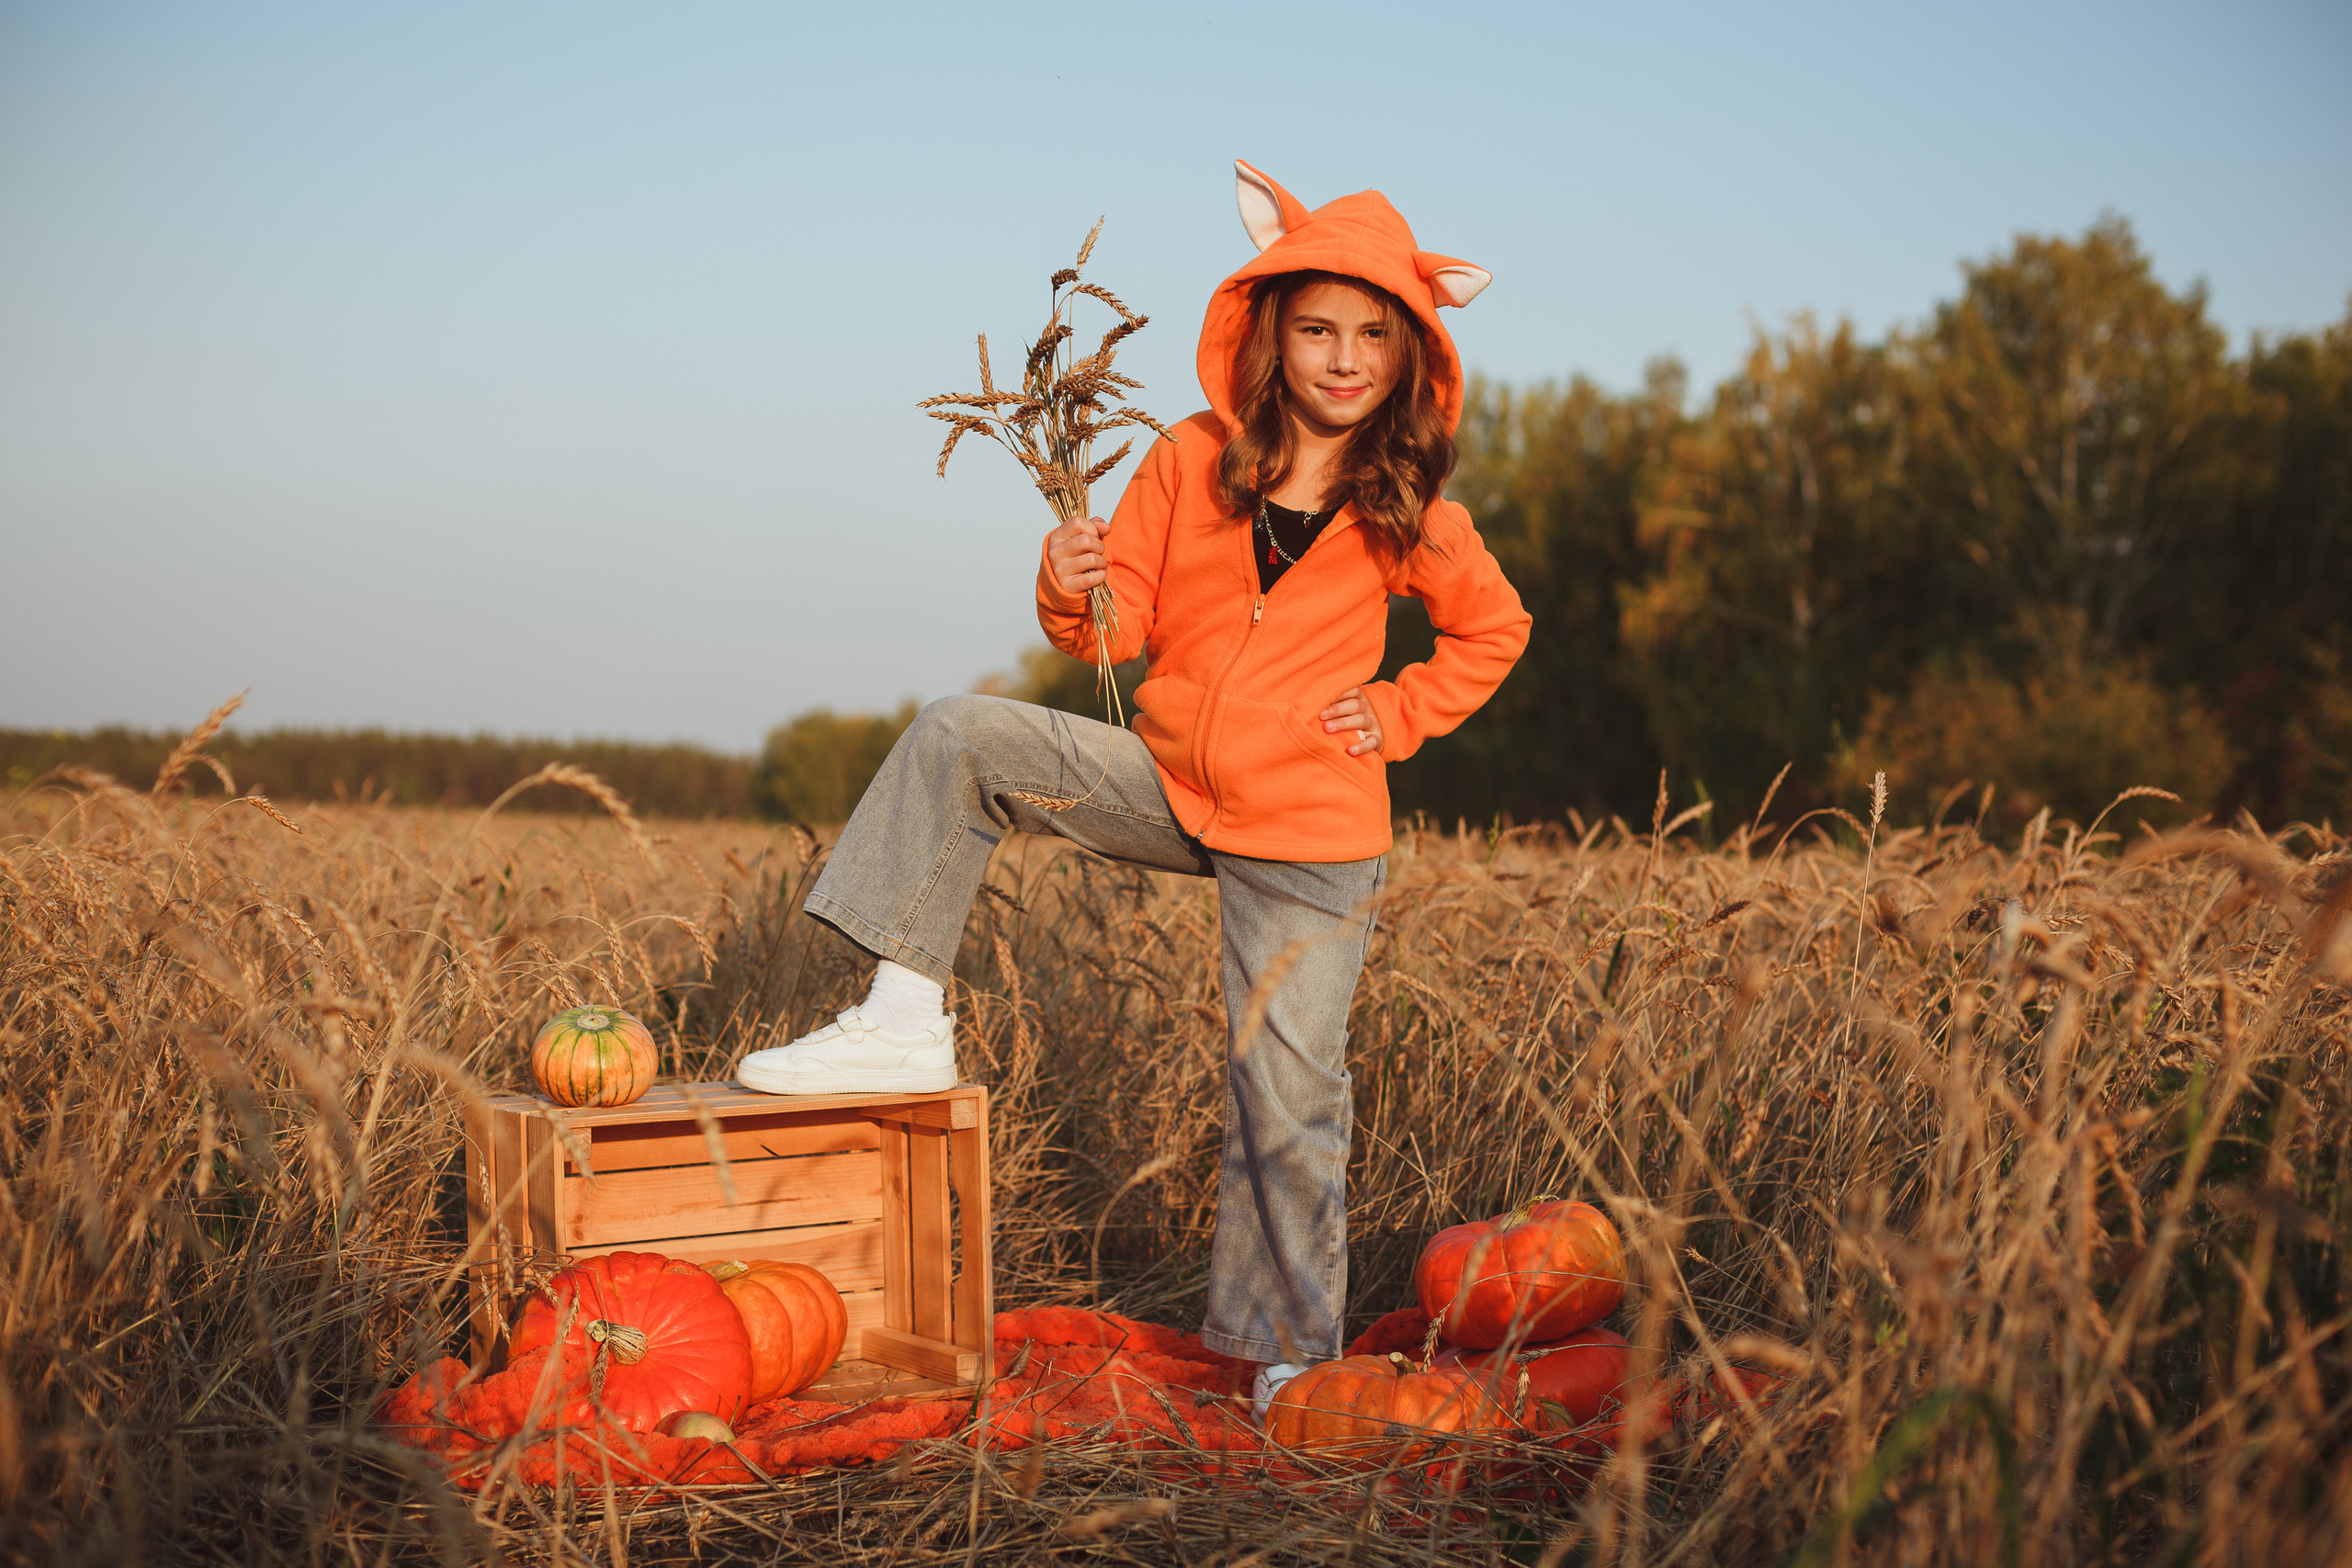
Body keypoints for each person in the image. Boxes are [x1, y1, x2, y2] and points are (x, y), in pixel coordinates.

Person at [739, 160, 1530, 1416]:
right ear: (1271, 328)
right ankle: (900, 1018)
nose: (1341, 357)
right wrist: (1071, 574)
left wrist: (1390, 711)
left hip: (1311, 830)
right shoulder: (1193, 457)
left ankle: (1285, 1358)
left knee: (1287, 1088)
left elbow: (1494, 632)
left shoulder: (1410, 505)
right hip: (1163, 780)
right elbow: (1114, 634)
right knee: (962, 735)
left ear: (1410, 354)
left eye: (1372, 335)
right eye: (1318, 327)